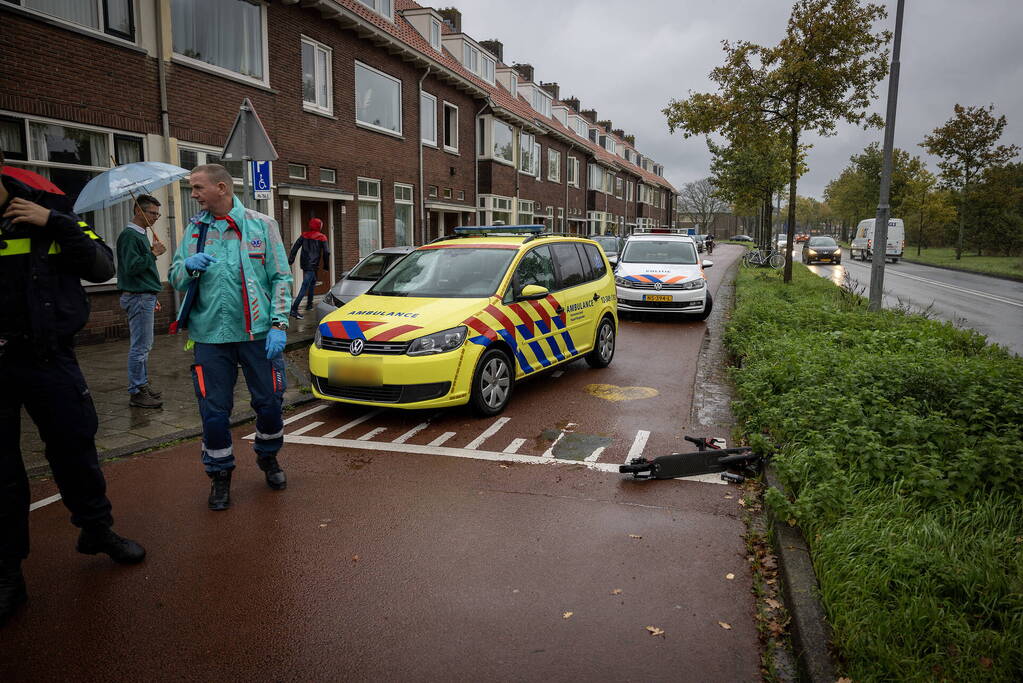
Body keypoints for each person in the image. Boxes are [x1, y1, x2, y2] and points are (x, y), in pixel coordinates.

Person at [1, 173, 146, 628]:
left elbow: (102, 267)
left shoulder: (51, 210)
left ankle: (96, 531)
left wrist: (53, 221)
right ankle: (8, 574)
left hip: (50, 357)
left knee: (75, 447)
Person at [169, 164, 293, 511]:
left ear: (221, 187)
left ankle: (268, 457)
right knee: (213, 412)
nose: (193, 195)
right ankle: (220, 474)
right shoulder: (195, 230)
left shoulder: (261, 225)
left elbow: (281, 278)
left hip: (257, 336)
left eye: (197, 188)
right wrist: (188, 265)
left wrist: (279, 324)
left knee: (269, 403)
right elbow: (176, 276)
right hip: (210, 336)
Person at [117, 195, 166, 408]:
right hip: (138, 296)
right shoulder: (130, 236)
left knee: (145, 345)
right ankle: (136, 391)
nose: (156, 217)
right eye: (152, 213)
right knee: (140, 347)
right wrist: (153, 253)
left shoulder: (141, 234)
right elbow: (131, 267)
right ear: (139, 211)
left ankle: (142, 385)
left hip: (144, 295)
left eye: (157, 213)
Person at [287, 217, 329, 319]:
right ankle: (294, 309)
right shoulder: (322, 237)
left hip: (305, 264)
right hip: (313, 265)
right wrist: (326, 265)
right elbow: (326, 252)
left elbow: (295, 248)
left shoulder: (304, 235)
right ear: (319, 226)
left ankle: (309, 304)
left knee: (312, 282)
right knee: (305, 286)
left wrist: (290, 260)